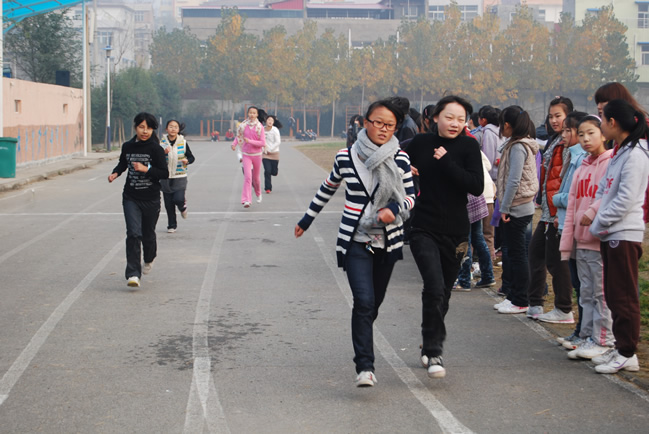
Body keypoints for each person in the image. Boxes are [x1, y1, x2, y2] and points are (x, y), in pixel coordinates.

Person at [294, 99, 415, 387]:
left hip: (388, 240)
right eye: (377, 122)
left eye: (389, 125)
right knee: (363, 301)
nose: (383, 129)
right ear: (365, 122)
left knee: (373, 306)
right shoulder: (345, 157)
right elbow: (328, 188)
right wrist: (306, 220)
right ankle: (365, 366)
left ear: (396, 127)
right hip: (355, 240)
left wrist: (394, 211)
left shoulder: (400, 159)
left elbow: (411, 198)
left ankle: (362, 335)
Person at [407, 95, 484, 378]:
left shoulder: (468, 146)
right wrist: (406, 169)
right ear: (435, 117)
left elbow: (476, 186)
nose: (455, 123)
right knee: (434, 286)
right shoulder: (419, 143)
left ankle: (428, 343)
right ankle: (434, 350)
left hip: (457, 232)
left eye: (461, 119)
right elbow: (393, 158)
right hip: (423, 227)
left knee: (445, 293)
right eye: (449, 117)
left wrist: (447, 161)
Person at [589, 99, 649, 374]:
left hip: (624, 232)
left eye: (602, 120)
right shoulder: (621, 151)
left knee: (623, 295)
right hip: (610, 230)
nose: (600, 125)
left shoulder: (637, 154)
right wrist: (599, 220)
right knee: (613, 293)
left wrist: (600, 221)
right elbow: (604, 189)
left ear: (612, 123)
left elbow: (626, 199)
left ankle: (627, 352)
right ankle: (620, 346)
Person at [558, 115, 614, 360]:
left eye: (591, 133)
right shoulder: (581, 168)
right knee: (586, 292)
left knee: (601, 292)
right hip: (581, 242)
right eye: (581, 134)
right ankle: (589, 336)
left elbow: (611, 195)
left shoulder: (611, 163)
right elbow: (571, 207)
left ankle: (604, 339)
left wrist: (592, 214)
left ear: (604, 134)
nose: (585, 138)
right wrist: (567, 242)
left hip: (599, 239)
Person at [527, 96, 575, 322]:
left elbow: (565, 179)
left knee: (556, 261)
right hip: (548, 211)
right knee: (536, 253)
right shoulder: (555, 140)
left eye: (559, 116)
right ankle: (535, 303)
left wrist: (557, 212)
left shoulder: (569, 144)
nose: (554, 121)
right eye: (551, 116)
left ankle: (564, 308)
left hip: (557, 212)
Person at [108, 112, 169, 288]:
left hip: (150, 199)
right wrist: (116, 173)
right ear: (135, 127)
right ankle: (133, 274)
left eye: (149, 128)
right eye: (142, 127)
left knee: (148, 235)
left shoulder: (155, 149)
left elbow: (164, 173)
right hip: (131, 197)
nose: (145, 131)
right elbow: (122, 163)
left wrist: (146, 168)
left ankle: (149, 258)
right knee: (134, 233)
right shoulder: (128, 146)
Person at [492, 106, 538, 314]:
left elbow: (514, 180)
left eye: (503, 125)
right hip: (517, 206)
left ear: (508, 125)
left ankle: (521, 299)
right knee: (514, 253)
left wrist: (505, 207)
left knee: (518, 255)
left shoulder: (519, 147)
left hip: (518, 207)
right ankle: (513, 296)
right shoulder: (513, 144)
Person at [549, 111, 589, 345]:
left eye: (568, 130)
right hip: (564, 222)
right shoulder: (571, 155)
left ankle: (586, 332)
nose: (563, 134)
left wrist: (557, 199)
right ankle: (581, 331)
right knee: (578, 283)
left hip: (577, 226)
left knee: (586, 285)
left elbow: (575, 195)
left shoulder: (582, 158)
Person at [160, 120, 195, 234]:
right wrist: (162, 153)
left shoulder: (183, 142)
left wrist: (187, 161)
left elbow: (191, 157)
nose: (173, 129)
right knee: (168, 203)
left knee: (178, 199)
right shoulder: (161, 143)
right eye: (171, 126)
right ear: (166, 129)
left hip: (180, 176)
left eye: (175, 127)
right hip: (165, 177)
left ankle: (182, 207)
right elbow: (155, 158)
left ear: (178, 130)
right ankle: (172, 225)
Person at [232, 106, 266, 208]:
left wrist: (250, 141)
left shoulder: (260, 127)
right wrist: (234, 144)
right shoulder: (243, 126)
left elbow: (262, 142)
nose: (252, 115)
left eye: (254, 113)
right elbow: (239, 136)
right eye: (250, 113)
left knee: (256, 178)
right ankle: (246, 200)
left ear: (257, 115)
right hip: (246, 154)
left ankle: (258, 193)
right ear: (248, 114)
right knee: (247, 177)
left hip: (257, 155)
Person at [263, 115, 282, 194]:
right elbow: (260, 141)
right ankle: (268, 188)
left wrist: (270, 149)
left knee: (273, 172)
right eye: (268, 120)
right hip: (265, 153)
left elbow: (278, 142)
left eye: (272, 120)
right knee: (267, 171)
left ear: (273, 122)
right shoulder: (262, 129)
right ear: (266, 121)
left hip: (274, 153)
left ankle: (275, 171)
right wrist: (264, 149)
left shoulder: (275, 130)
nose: (270, 121)